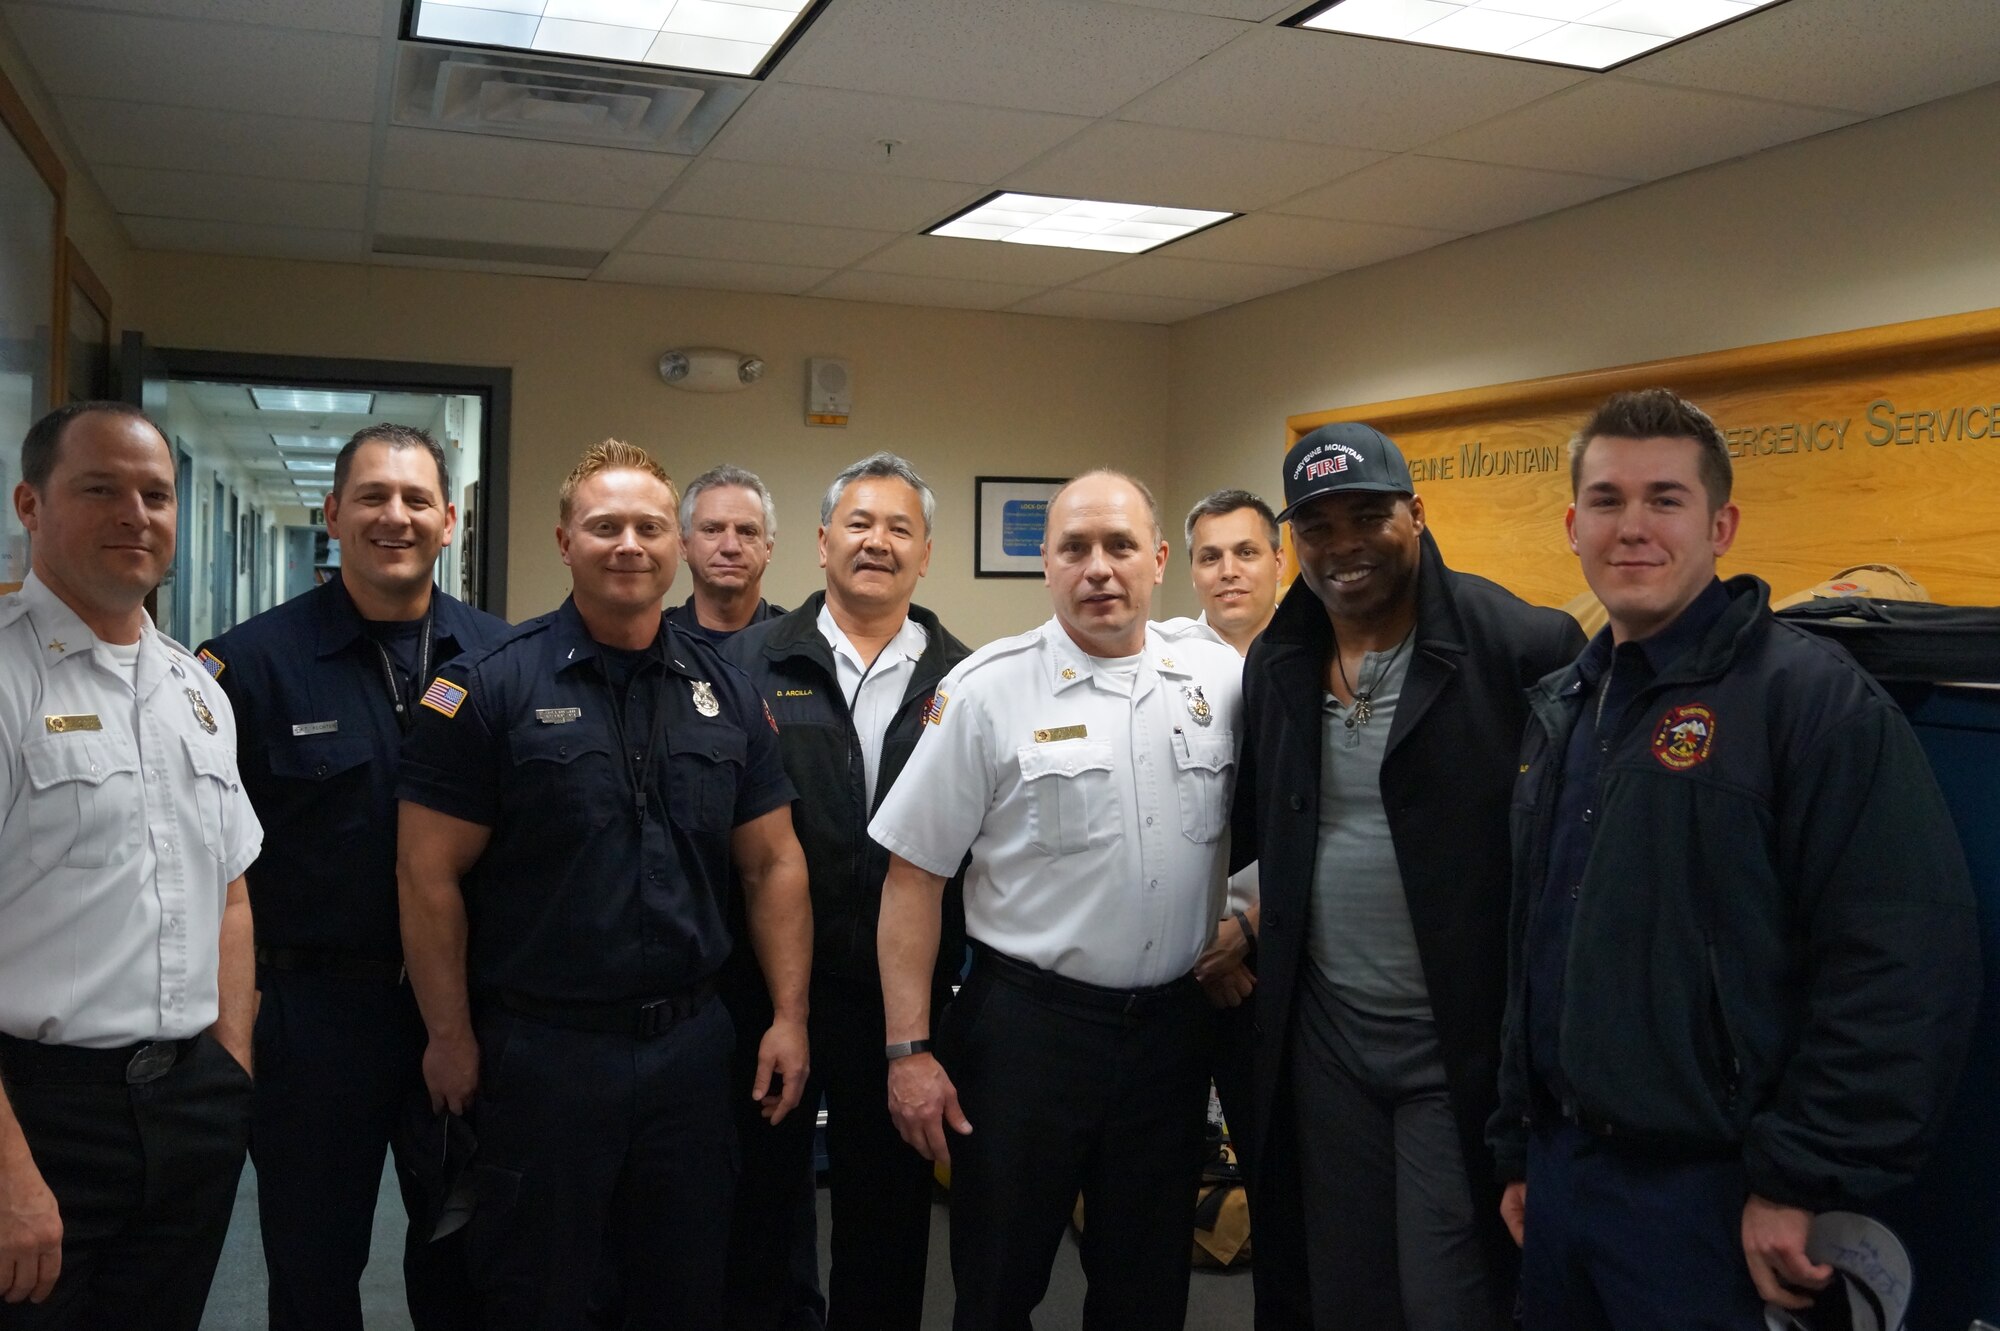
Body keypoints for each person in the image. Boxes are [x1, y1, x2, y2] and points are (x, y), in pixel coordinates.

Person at [1489, 389, 1980, 1330]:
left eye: (1665, 499)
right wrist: (1519, 1141)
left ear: (1721, 524)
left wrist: (1800, 1176)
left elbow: (1902, 965)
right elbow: (1537, 945)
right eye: (1607, 500)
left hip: (1713, 1200)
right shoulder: (1565, 705)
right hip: (1563, 1177)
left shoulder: (1810, 703)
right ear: (1572, 524)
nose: (1632, 527)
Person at [395, 439, 812, 1329]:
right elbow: (427, 874)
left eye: (650, 526)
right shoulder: (488, 686)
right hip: (544, 1054)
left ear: (678, 547)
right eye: (605, 525)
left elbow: (772, 862)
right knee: (542, 1293)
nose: (630, 543)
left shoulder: (727, 694)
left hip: (691, 1053)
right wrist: (448, 1035)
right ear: (563, 539)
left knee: (685, 1288)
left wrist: (788, 1015)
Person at [1232, 422, 1583, 1331]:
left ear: (1416, 514)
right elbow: (1262, 830)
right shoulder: (1278, 663)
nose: (1344, 543)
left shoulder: (1522, 647)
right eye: (1317, 526)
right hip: (1327, 1040)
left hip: (1453, 1045)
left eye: (1368, 515)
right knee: (1342, 1292)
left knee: (1449, 1297)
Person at [872, 469, 1242, 1331]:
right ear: (1046, 564)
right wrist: (908, 1049)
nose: (1099, 568)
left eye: (1120, 547)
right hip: (1028, 1038)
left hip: (1169, 1037)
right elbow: (912, 876)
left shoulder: (1216, 678)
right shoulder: (986, 690)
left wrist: (1246, 919)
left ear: (1158, 560)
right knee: (999, 1282)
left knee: (1148, 1286)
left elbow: (1264, 825)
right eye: (1075, 548)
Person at [197, 423, 506, 1331]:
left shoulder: (501, 660)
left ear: (449, 520)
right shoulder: (246, 667)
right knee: (313, 1264)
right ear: (332, 514)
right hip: (312, 1020)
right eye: (372, 497)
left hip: (461, 1007)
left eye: (416, 500)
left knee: (463, 1253)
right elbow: (209, 864)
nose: (394, 517)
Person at [0, 401, 261, 1327]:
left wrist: (230, 1065)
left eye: (156, 494)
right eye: (100, 489)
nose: (135, 515)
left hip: (188, 1105)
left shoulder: (196, 688)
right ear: (31, 504)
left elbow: (230, 885)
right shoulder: (7, 680)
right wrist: (7, 1169)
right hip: (36, 1111)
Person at [722, 451, 970, 1331]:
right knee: (757, 1211)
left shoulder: (968, 680)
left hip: (900, 1001)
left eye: (900, 527)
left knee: (887, 1222)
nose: (878, 541)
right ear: (822, 541)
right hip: (764, 988)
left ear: (927, 553)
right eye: (860, 524)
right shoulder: (743, 667)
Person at [1176, 490, 1280, 1181]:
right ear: (1189, 570)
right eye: (1210, 556)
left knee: (1279, 1167)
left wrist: (1246, 929)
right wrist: (1206, 941)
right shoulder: (1161, 664)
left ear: (1278, 560)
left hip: (1279, 954)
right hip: (1179, 961)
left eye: (1246, 552)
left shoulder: (1318, 662)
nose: (1229, 570)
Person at [667, 465, 786, 641]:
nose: (730, 547)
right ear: (684, 545)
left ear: (768, 548)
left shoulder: (798, 644)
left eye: (747, 532)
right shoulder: (654, 643)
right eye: (712, 530)